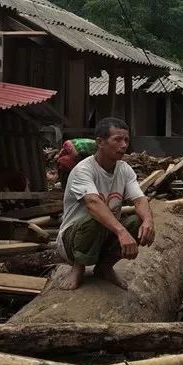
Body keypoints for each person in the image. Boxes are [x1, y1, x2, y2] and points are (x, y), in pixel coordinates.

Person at [56, 117, 154, 291]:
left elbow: (139, 199)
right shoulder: (84, 170)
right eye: (117, 139)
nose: (124, 145)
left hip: (103, 236)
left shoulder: (124, 169)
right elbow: (93, 203)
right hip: (72, 240)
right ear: (100, 142)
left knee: (137, 221)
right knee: (96, 217)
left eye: (126, 140)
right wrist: (121, 232)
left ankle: (104, 267)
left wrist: (148, 221)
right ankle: (78, 268)